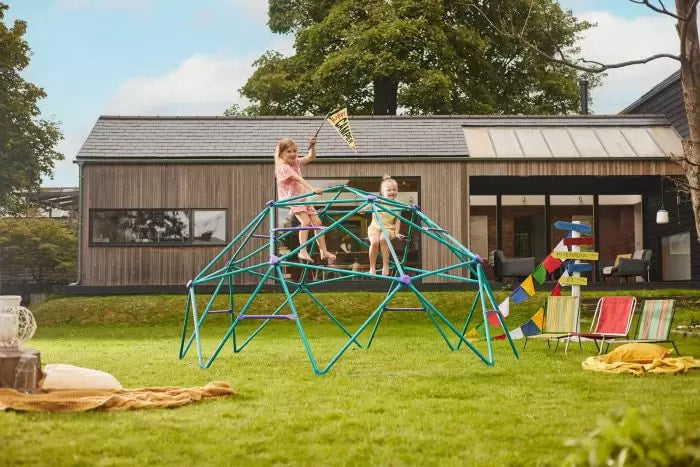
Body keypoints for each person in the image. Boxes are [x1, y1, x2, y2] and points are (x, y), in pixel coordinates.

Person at [275, 136, 336, 264]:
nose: (293, 154)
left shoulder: (295, 162)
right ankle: (302, 251)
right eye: (289, 151)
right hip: (293, 199)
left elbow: (310, 157)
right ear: (281, 154)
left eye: (294, 151)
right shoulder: (283, 167)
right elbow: (298, 178)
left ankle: (323, 251)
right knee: (306, 222)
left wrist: (312, 146)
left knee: (318, 223)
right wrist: (312, 189)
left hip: (303, 197)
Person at [367, 174, 405, 275]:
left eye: (394, 189)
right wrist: (364, 209)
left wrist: (396, 233)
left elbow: (397, 220)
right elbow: (364, 210)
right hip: (374, 227)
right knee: (375, 242)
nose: (392, 192)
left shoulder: (398, 205)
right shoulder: (377, 201)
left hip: (388, 228)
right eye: (389, 190)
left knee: (383, 239)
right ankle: (372, 266)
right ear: (382, 192)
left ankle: (385, 265)